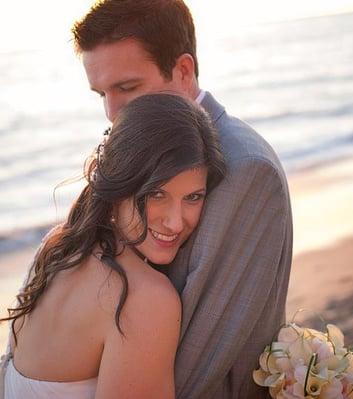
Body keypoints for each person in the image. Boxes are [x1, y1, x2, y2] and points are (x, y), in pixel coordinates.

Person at [72, 1, 293, 398]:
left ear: (184, 72)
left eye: (127, 88)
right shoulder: (156, 153)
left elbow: (200, 359)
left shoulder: (243, 168)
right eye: (101, 93)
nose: (111, 112)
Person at [0, 93, 226, 398]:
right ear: (119, 184)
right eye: (156, 194)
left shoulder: (55, 248)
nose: (175, 222)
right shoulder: (144, 299)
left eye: (193, 198)